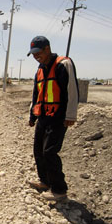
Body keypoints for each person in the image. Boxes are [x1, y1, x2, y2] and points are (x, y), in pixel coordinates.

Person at [26, 36, 79, 201]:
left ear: (47, 49)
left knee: (49, 152)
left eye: (38, 53)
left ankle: (59, 190)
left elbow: (72, 91)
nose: (36, 56)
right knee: (38, 151)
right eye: (33, 54)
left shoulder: (63, 64)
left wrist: (70, 115)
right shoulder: (40, 69)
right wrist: (32, 116)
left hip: (58, 117)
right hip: (43, 116)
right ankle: (45, 182)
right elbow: (37, 95)